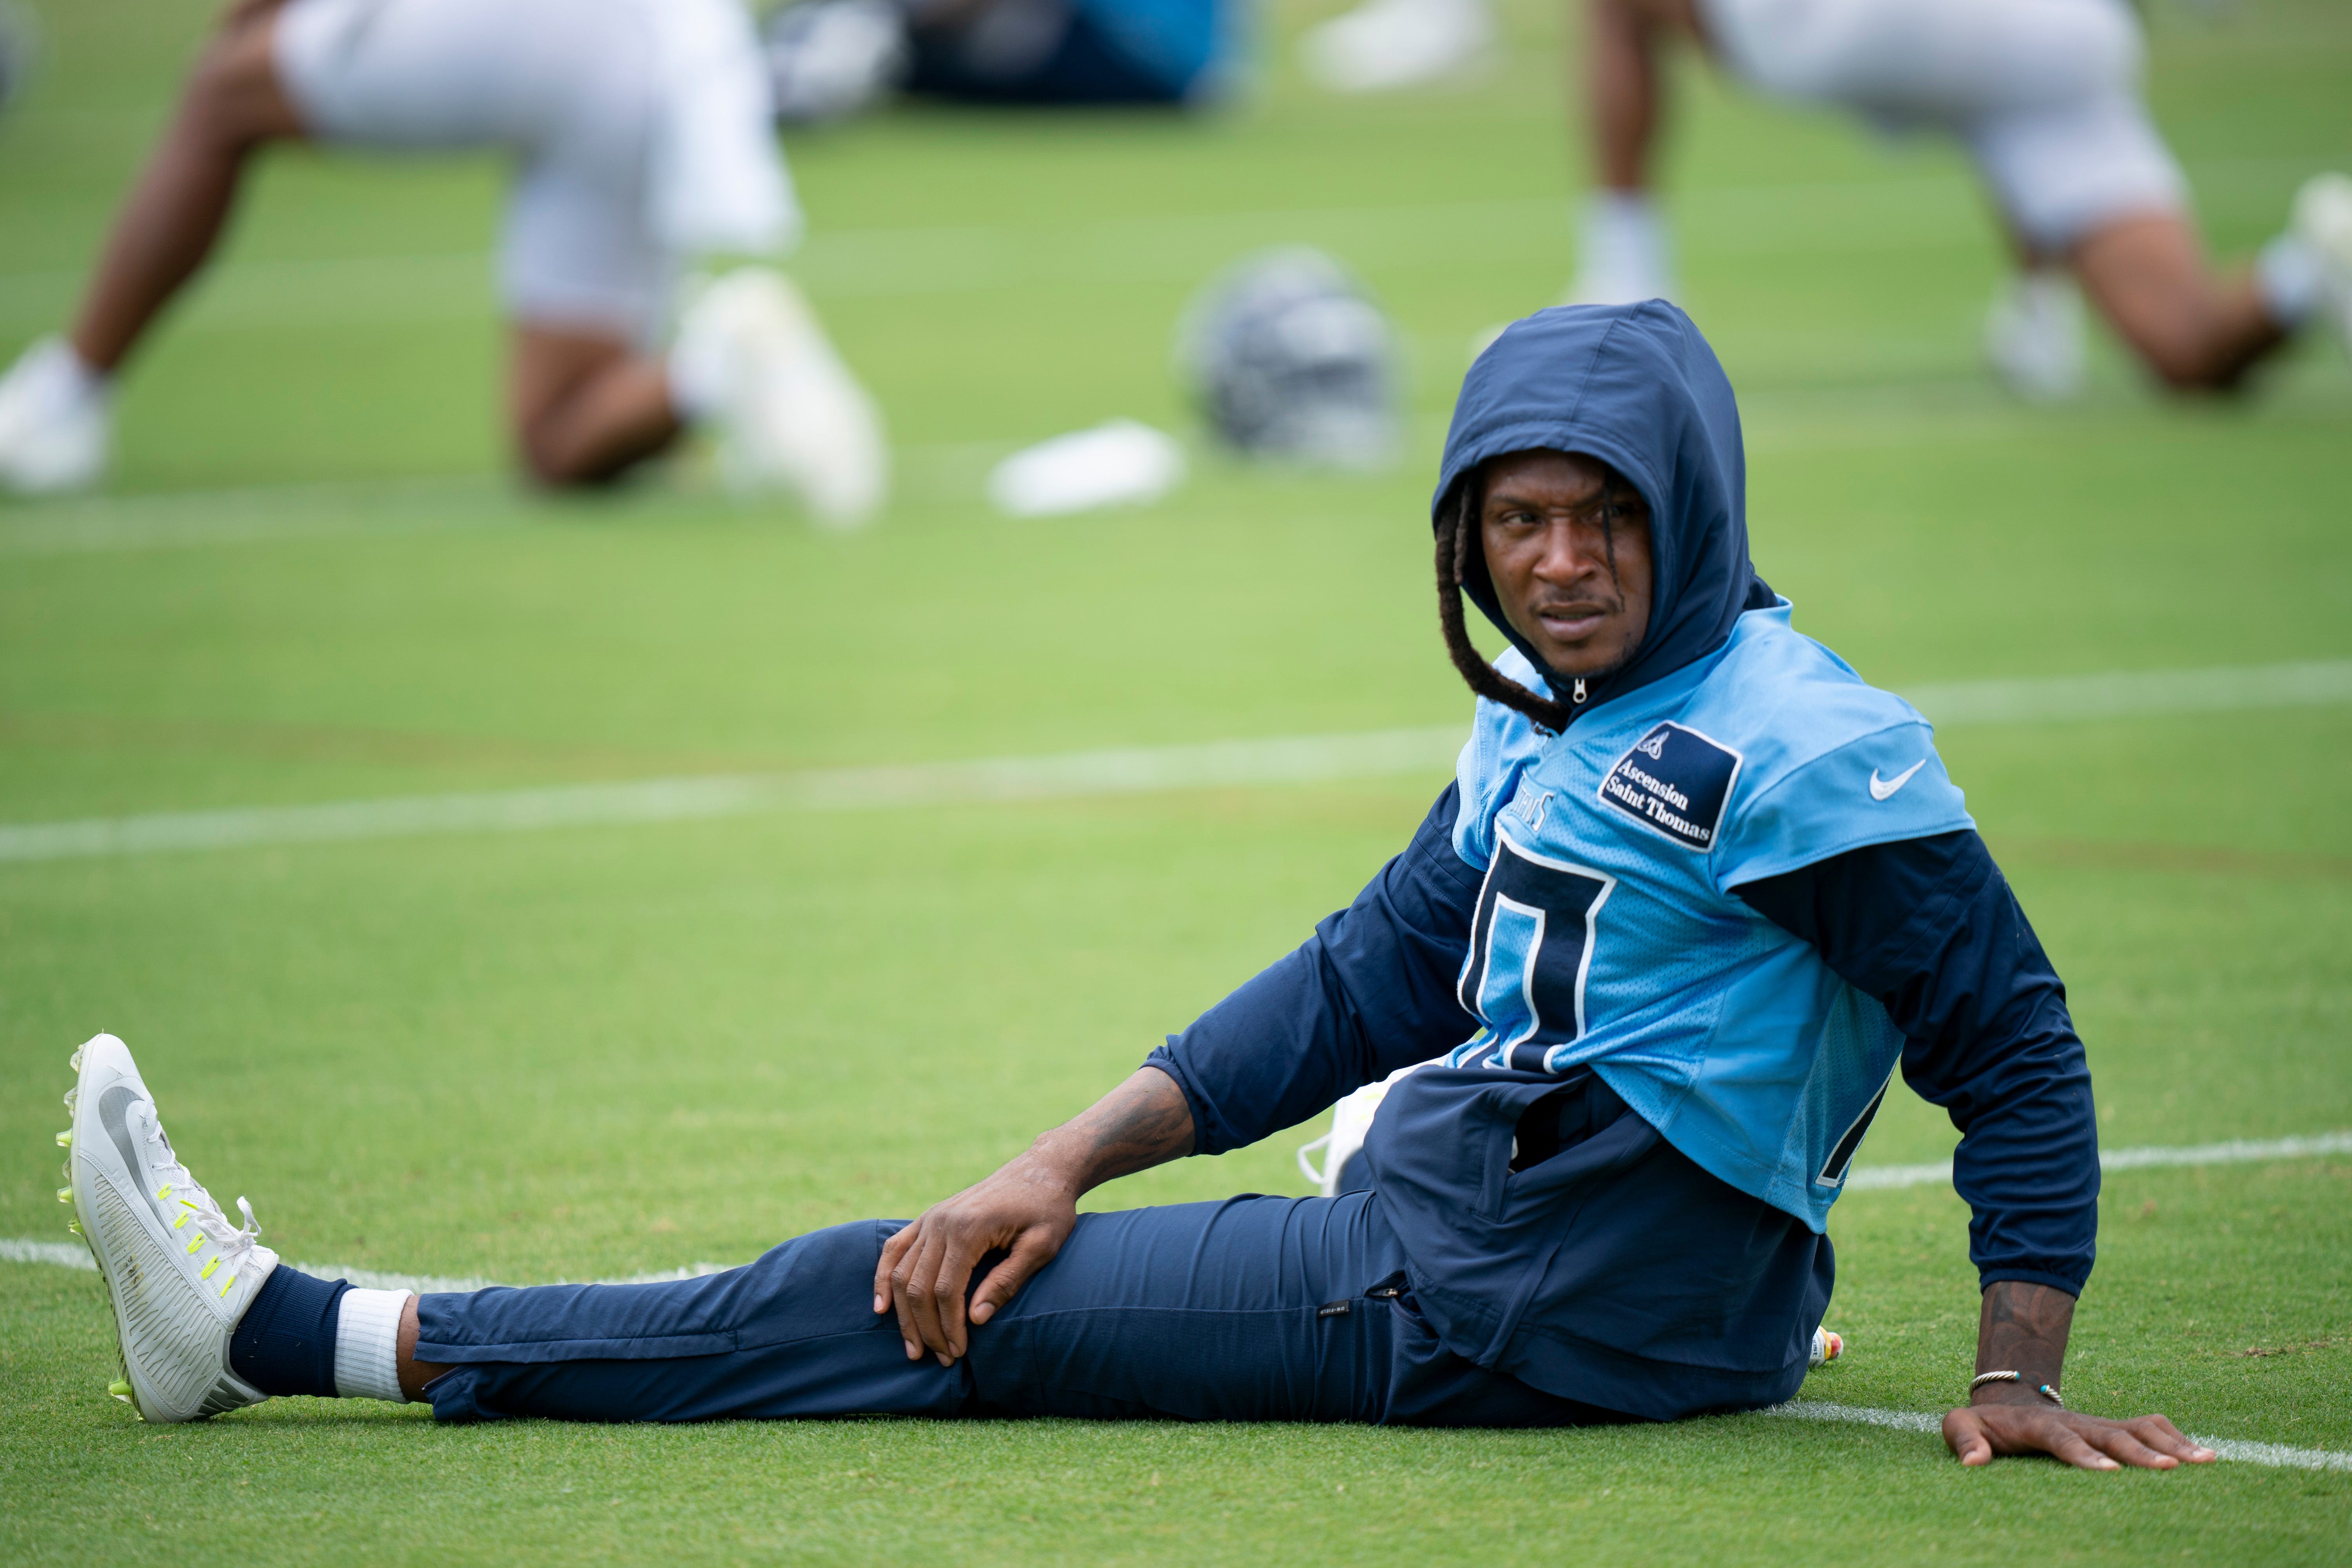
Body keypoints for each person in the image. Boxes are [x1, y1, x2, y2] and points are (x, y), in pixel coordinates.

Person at [62, 302, 2214, 1470]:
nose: (1555, 563)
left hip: (1509, 1299)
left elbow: (2009, 1044)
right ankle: (1699, 1290)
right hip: (1589, 1240)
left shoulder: (1805, 747)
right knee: (1385, 1076)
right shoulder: (1565, 708)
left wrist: (2018, 1373)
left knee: (919, 1303)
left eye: (1601, 520)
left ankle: (299, 1332)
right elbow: (1374, 966)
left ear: (1694, 511)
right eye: (1514, 522)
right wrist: (1057, 1152)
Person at [0, 0, 886, 521]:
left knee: (221, 93)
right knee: (557, 439)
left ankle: (67, 397)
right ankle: (714, 369)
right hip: (665, 48)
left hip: (534, 27)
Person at [1569, 0, 2352, 400]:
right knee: (2189, 347)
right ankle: (2307, 270)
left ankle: (1624, 284)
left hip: (1884, 22)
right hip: (2060, 34)